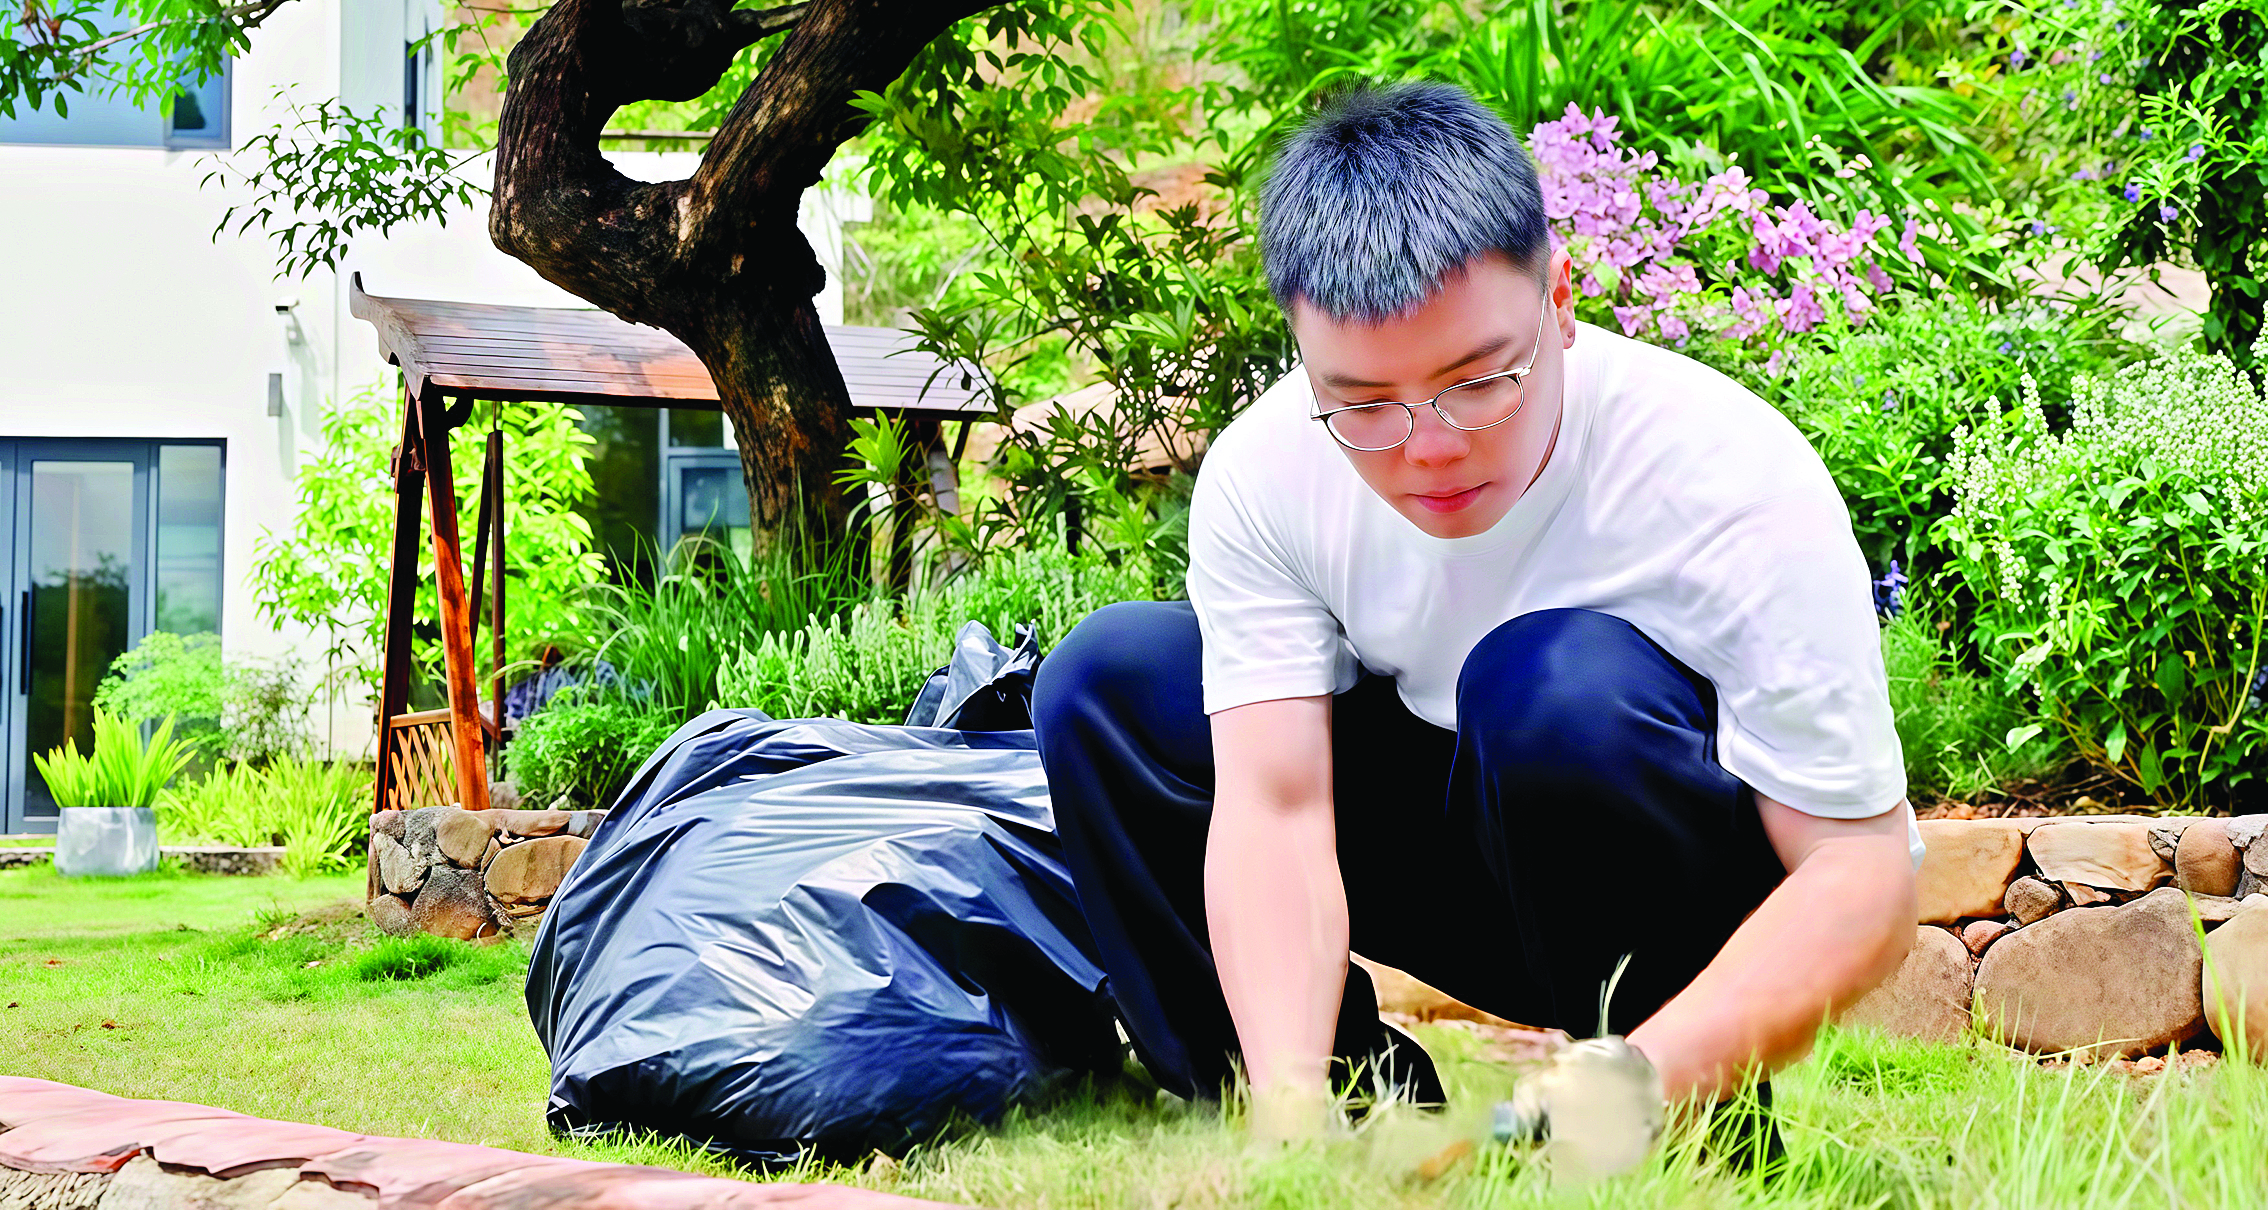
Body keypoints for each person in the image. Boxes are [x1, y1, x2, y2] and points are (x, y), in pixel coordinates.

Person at [1030, 81, 1921, 1146]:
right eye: (1363, 403)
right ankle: (1339, 1127)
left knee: (1549, 682)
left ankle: (1679, 1135)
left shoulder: (1727, 476)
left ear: (1560, 303)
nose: (1429, 446)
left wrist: (1635, 1080)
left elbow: (1861, 873)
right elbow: (1274, 811)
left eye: (1477, 381)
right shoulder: (1269, 469)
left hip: (1646, 860)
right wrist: (1290, 1116)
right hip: (1460, 844)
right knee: (1109, 682)